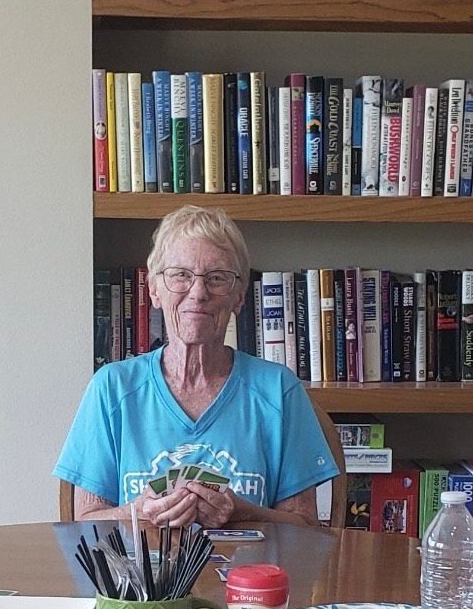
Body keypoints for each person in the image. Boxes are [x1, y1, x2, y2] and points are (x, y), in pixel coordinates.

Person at [54, 205, 339, 529]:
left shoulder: (278, 391)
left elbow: (305, 529)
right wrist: (141, 510)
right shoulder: (112, 388)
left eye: (217, 278)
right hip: (141, 580)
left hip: (248, 579)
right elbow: (83, 524)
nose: (198, 292)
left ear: (239, 297)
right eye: (181, 275)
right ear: (154, 290)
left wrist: (241, 511)